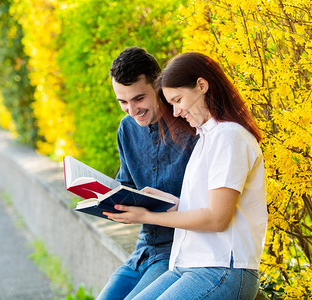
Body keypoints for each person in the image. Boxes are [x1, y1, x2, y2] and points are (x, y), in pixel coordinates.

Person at [104, 52, 268, 299]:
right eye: (172, 102)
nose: (176, 111)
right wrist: (167, 203)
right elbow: (203, 206)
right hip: (189, 263)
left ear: (202, 86)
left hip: (220, 266)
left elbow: (217, 219)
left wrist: (149, 215)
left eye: (178, 100)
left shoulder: (229, 137)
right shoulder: (206, 137)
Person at [96, 47, 198, 300]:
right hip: (143, 251)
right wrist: (106, 201)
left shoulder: (191, 128)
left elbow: (208, 206)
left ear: (158, 85)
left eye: (139, 98)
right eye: (123, 102)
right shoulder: (127, 128)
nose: (132, 110)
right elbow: (126, 185)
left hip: (179, 251)